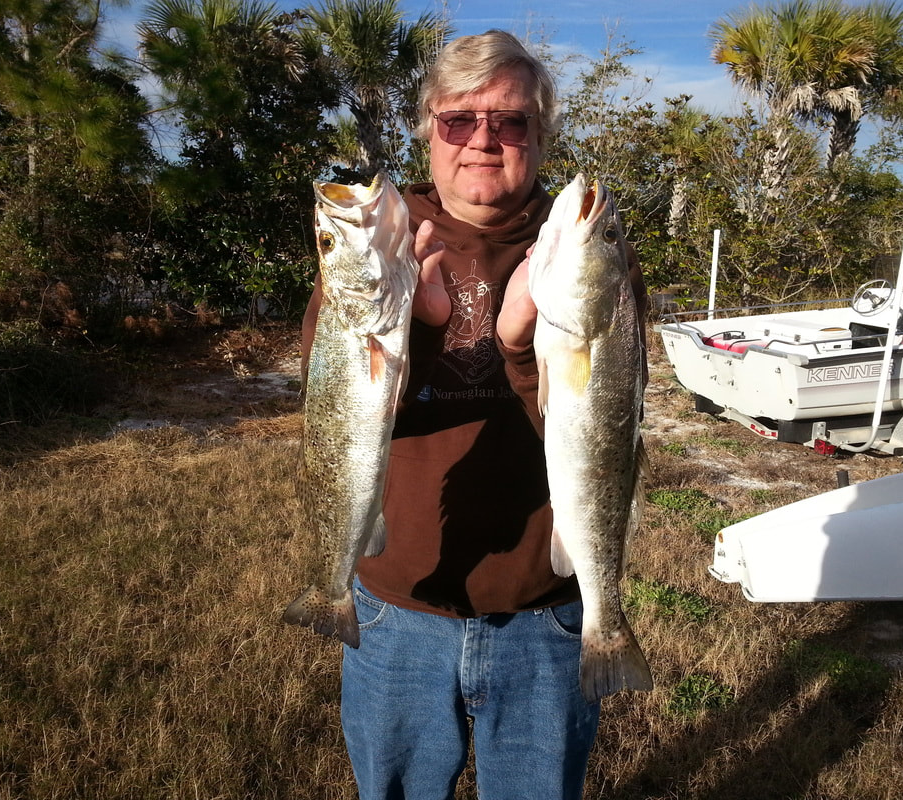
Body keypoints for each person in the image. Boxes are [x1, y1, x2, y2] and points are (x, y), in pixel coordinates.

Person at [300, 29, 647, 800]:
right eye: (459, 119)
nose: (483, 140)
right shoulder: (378, 241)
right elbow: (340, 416)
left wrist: (521, 349)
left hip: (545, 614)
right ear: (428, 129)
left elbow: (602, 434)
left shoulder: (586, 252)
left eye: (511, 121)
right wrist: (418, 330)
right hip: (398, 607)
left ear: (541, 135)